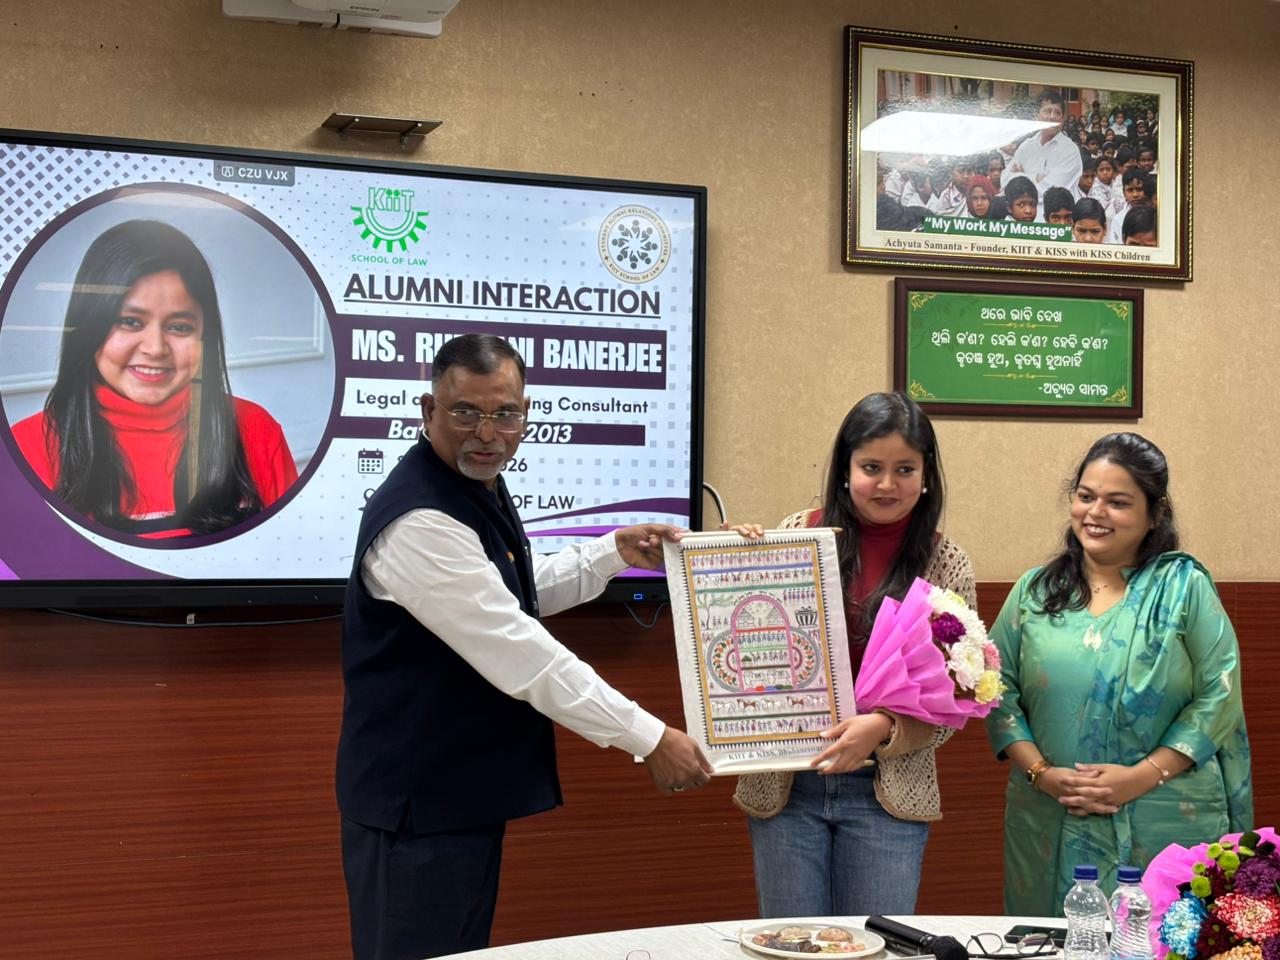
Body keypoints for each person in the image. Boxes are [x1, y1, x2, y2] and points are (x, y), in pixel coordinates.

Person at [336, 334, 713, 960]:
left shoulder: (470, 484)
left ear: (526, 413)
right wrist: (648, 737)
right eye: (466, 412)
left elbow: (507, 592)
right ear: (428, 411)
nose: (488, 433)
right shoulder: (420, 520)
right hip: (416, 809)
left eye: (505, 414)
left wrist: (610, 553)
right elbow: (519, 650)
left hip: (454, 800)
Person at [730, 392, 976, 918]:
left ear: (926, 476)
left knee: (878, 946)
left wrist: (884, 728)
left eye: (904, 469)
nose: (887, 484)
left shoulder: (946, 562)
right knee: (794, 948)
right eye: (871, 468)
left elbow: (958, 696)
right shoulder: (797, 534)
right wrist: (731, 563)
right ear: (845, 471)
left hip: (887, 791)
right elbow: (749, 646)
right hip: (790, 784)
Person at [984, 433, 1252, 916]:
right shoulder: (1035, 592)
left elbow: (1220, 695)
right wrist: (1041, 774)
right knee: (1051, 940)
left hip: (1162, 819)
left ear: (1155, 514)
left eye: (1118, 502)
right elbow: (995, 687)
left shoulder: (1183, 588)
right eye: (1086, 496)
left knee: (1159, 939)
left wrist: (1139, 777)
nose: (1096, 512)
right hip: (1049, 815)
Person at [11, 219, 297, 538]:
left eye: (179, 327)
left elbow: (292, 554)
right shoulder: (22, 450)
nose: (155, 348)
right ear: (89, 326)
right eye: (130, 321)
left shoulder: (256, 430)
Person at [1003, 89, 1084, 220]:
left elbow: (1050, 192)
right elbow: (1006, 179)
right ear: (1037, 115)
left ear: (1062, 119)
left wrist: (1022, 176)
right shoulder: (1027, 146)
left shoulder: (1070, 150)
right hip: (1022, 222)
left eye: (1057, 113)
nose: (1051, 117)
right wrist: (1037, 177)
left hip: (1054, 223)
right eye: (1047, 111)